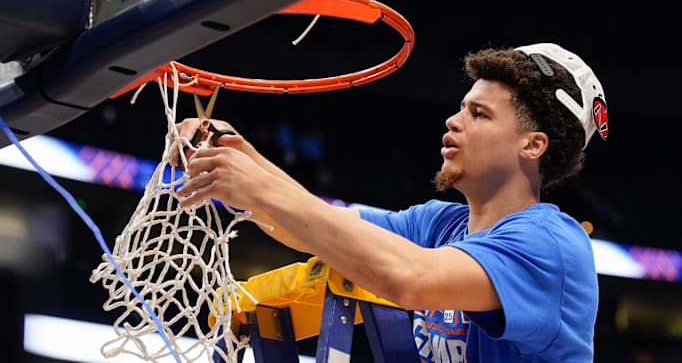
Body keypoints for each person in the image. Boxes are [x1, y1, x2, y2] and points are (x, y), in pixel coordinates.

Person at [174, 43, 608, 362]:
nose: (453, 120)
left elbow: (410, 279)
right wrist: (231, 152)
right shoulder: (439, 226)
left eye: (479, 114)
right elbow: (319, 228)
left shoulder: (549, 244)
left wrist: (258, 186)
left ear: (532, 146)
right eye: (462, 107)